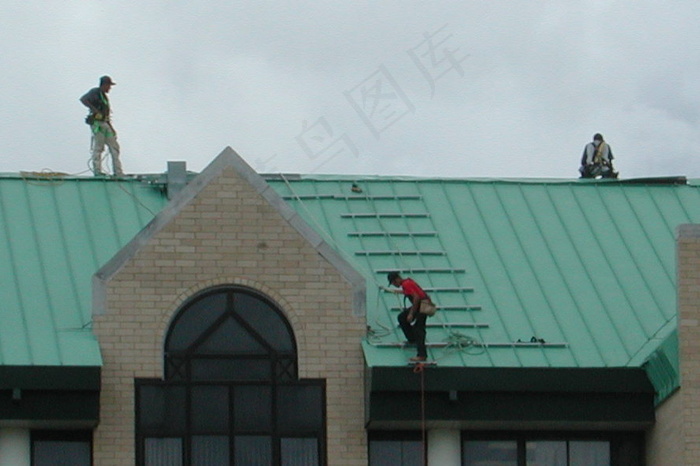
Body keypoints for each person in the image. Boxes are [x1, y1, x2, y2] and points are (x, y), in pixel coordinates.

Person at [80, 76, 124, 176]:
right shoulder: (95, 92)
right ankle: (97, 171)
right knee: (98, 148)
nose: (110, 88)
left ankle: (118, 172)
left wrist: (112, 128)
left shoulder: (104, 97)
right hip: (97, 124)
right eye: (109, 85)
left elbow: (106, 115)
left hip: (104, 123)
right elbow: (83, 99)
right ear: (104, 85)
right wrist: (95, 111)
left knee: (114, 147)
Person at [386, 271, 434, 362]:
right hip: (422, 304)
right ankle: (412, 338)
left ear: (396, 279)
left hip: (422, 306)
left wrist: (411, 313)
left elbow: (416, 298)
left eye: (393, 283)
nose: (394, 285)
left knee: (418, 329)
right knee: (402, 317)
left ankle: (422, 355)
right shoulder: (408, 282)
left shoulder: (406, 284)